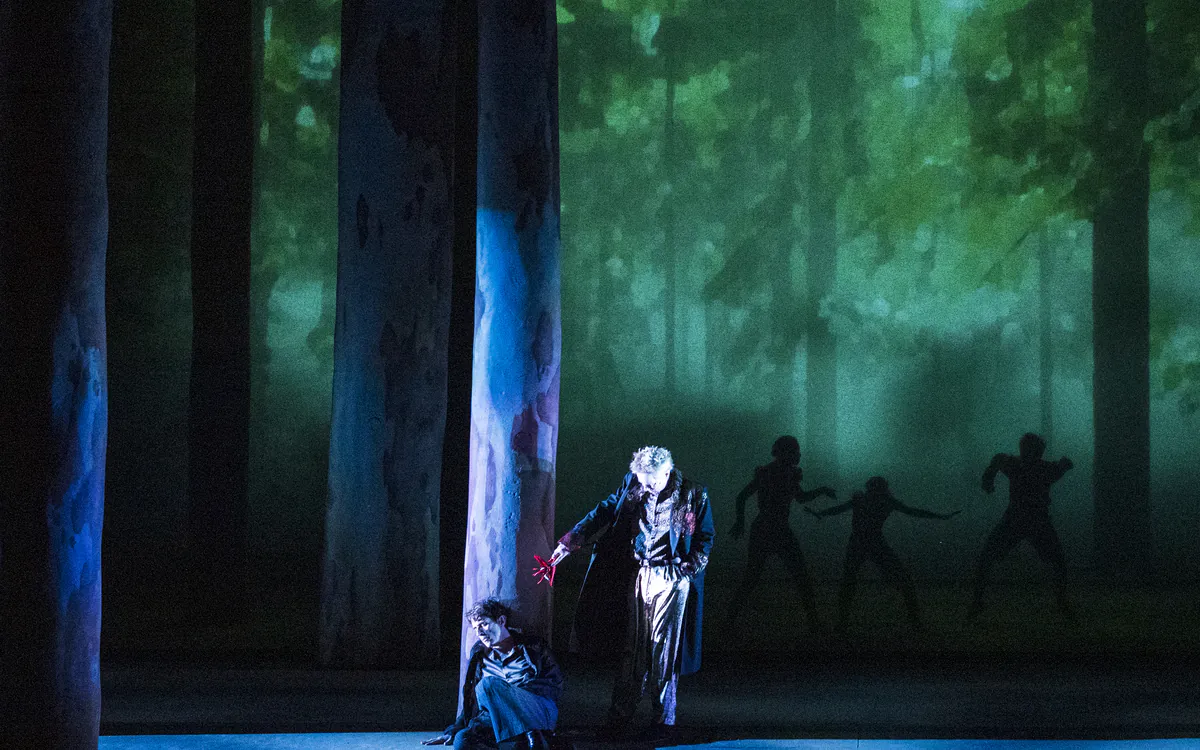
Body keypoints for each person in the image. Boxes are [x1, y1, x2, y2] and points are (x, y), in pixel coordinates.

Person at [547, 446, 713, 734]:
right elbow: (605, 510)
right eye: (642, 480)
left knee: (664, 649)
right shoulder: (634, 484)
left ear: (667, 471)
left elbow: (705, 538)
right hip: (639, 572)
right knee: (633, 647)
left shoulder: (693, 494)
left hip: (672, 576)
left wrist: (685, 570)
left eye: (652, 481)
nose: (646, 487)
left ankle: (663, 721)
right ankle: (620, 716)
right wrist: (569, 542)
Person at [808, 476, 959, 632]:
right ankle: (914, 621)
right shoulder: (884, 501)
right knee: (897, 580)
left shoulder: (865, 499)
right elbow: (913, 511)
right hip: (873, 543)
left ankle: (843, 623)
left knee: (850, 582)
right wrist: (939, 516)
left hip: (861, 543)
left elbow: (840, 508)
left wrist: (822, 513)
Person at [726, 435, 835, 633]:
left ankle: (728, 623)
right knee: (798, 577)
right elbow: (800, 498)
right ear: (786, 453)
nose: (798, 455)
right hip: (775, 529)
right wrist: (822, 490)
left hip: (766, 529)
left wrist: (741, 522)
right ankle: (814, 624)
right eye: (795, 451)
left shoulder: (774, 473)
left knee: (753, 578)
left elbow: (743, 497)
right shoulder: (776, 473)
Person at [424, 598, 563, 750]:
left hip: (534, 708)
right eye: (476, 628)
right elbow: (473, 697)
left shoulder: (533, 646)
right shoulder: (479, 654)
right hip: (495, 715)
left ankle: (529, 735)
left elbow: (554, 683)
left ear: (502, 620)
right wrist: (455, 728)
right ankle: (522, 741)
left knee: (488, 684)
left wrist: (514, 695)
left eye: (484, 624)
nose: (480, 633)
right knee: (462, 740)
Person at [968, 432, 1074, 622]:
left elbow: (998, 460)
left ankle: (977, 601)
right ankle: (1061, 602)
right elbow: (1062, 466)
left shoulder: (1021, 465)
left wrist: (989, 477)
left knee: (988, 557)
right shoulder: (1041, 468)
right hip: (1031, 520)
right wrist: (1064, 465)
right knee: (1057, 562)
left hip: (1021, 519)